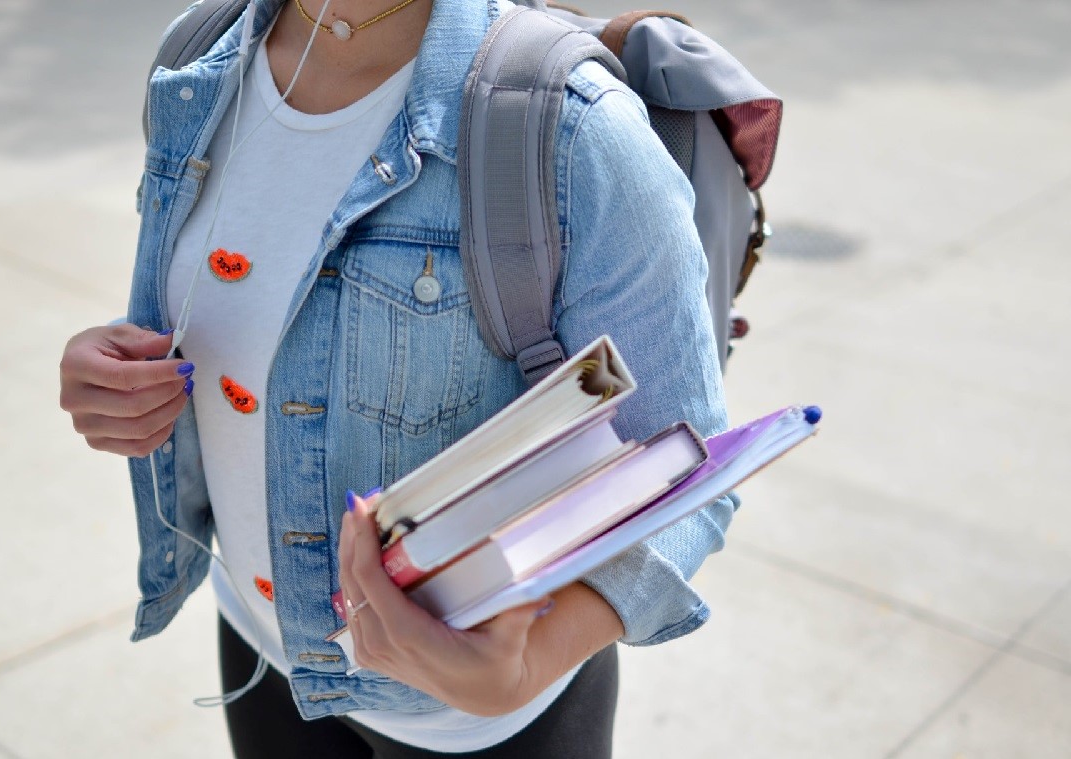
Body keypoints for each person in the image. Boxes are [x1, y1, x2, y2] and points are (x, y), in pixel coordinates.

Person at [58, 0, 736, 755]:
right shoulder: (196, 59)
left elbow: (685, 466)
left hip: (477, 724)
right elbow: (214, 317)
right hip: (259, 648)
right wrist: (115, 378)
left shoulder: (572, 127)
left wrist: (525, 667)